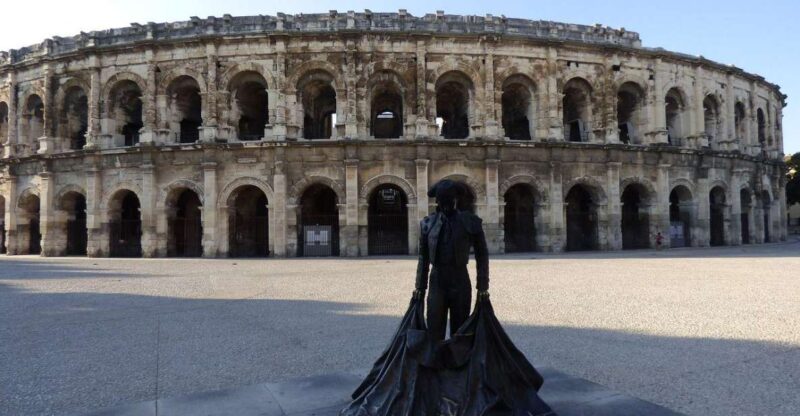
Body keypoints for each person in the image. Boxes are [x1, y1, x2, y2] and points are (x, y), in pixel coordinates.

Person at [414, 179, 489, 341]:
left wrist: (483, 284)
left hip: (460, 278)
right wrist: (420, 286)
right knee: (434, 326)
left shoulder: (471, 222)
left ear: (456, 200)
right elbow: (423, 257)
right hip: (437, 280)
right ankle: (436, 362)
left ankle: (458, 364)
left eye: (449, 200)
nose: (446, 204)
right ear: (437, 202)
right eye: (442, 200)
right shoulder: (428, 224)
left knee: (460, 329)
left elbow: (482, 254)